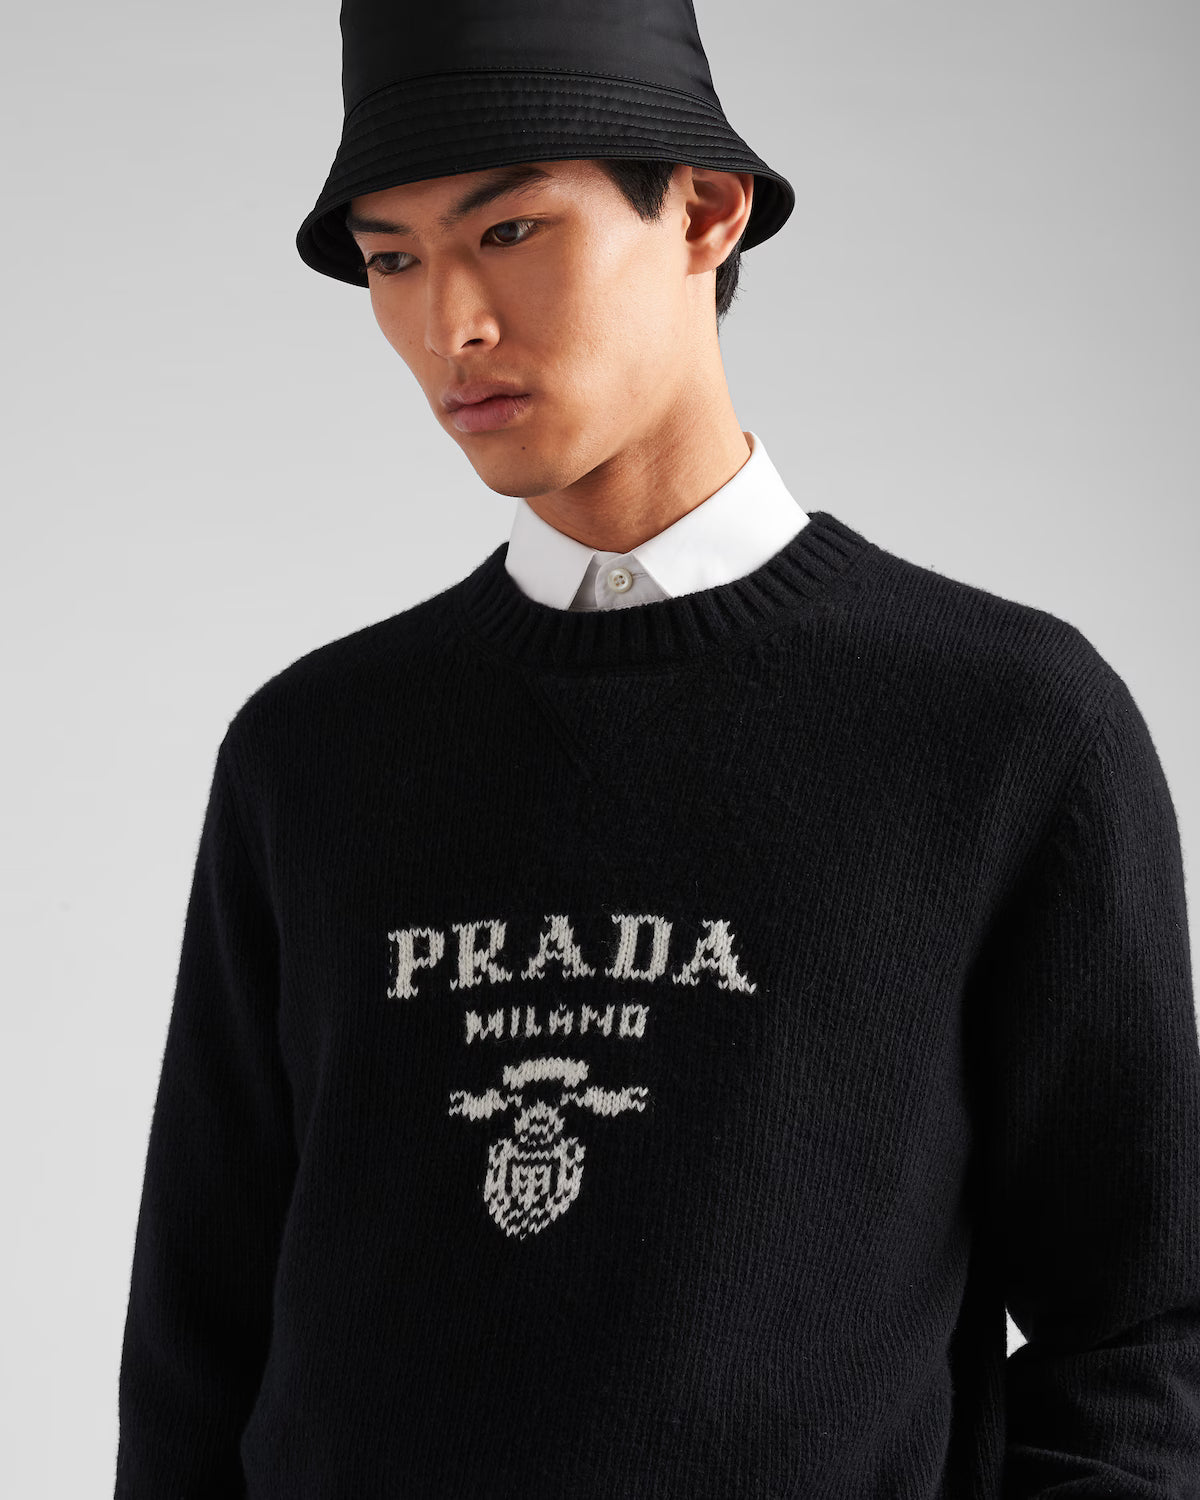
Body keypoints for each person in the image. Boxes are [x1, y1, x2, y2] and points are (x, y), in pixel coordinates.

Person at [114, 1, 1200, 1496]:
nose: (448, 327)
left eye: (508, 232)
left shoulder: (1004, 723)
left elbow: (1145, 1327)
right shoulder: (309, 751)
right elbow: (195, 1343)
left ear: (703, 211)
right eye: (391, 259)